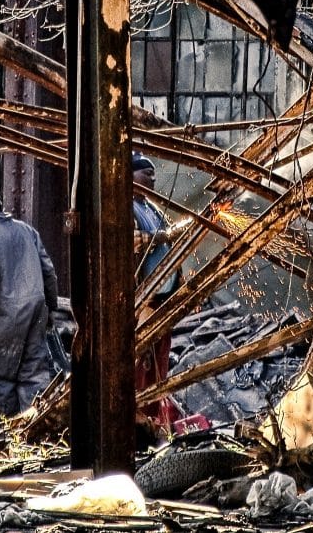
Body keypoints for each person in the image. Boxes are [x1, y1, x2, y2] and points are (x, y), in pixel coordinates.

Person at [0, 186, 59, 423]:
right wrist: (50, 307)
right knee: (34, 378)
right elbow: (49, 271)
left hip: (3, 318)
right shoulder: (28, 231)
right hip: (36, 314)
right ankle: (33, 436)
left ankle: (3, 440)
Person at [131, 153, 185, 427]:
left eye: (153, 174)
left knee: (159, 360)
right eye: (145, 174)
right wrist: (155, 238)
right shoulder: (126, 207)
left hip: (163, 298)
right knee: (141, 359)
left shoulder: (152, 208)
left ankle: (155, 417)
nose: (151, 180)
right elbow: (129, 242)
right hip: (143, 299)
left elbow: (170, 244)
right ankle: (139, 416)